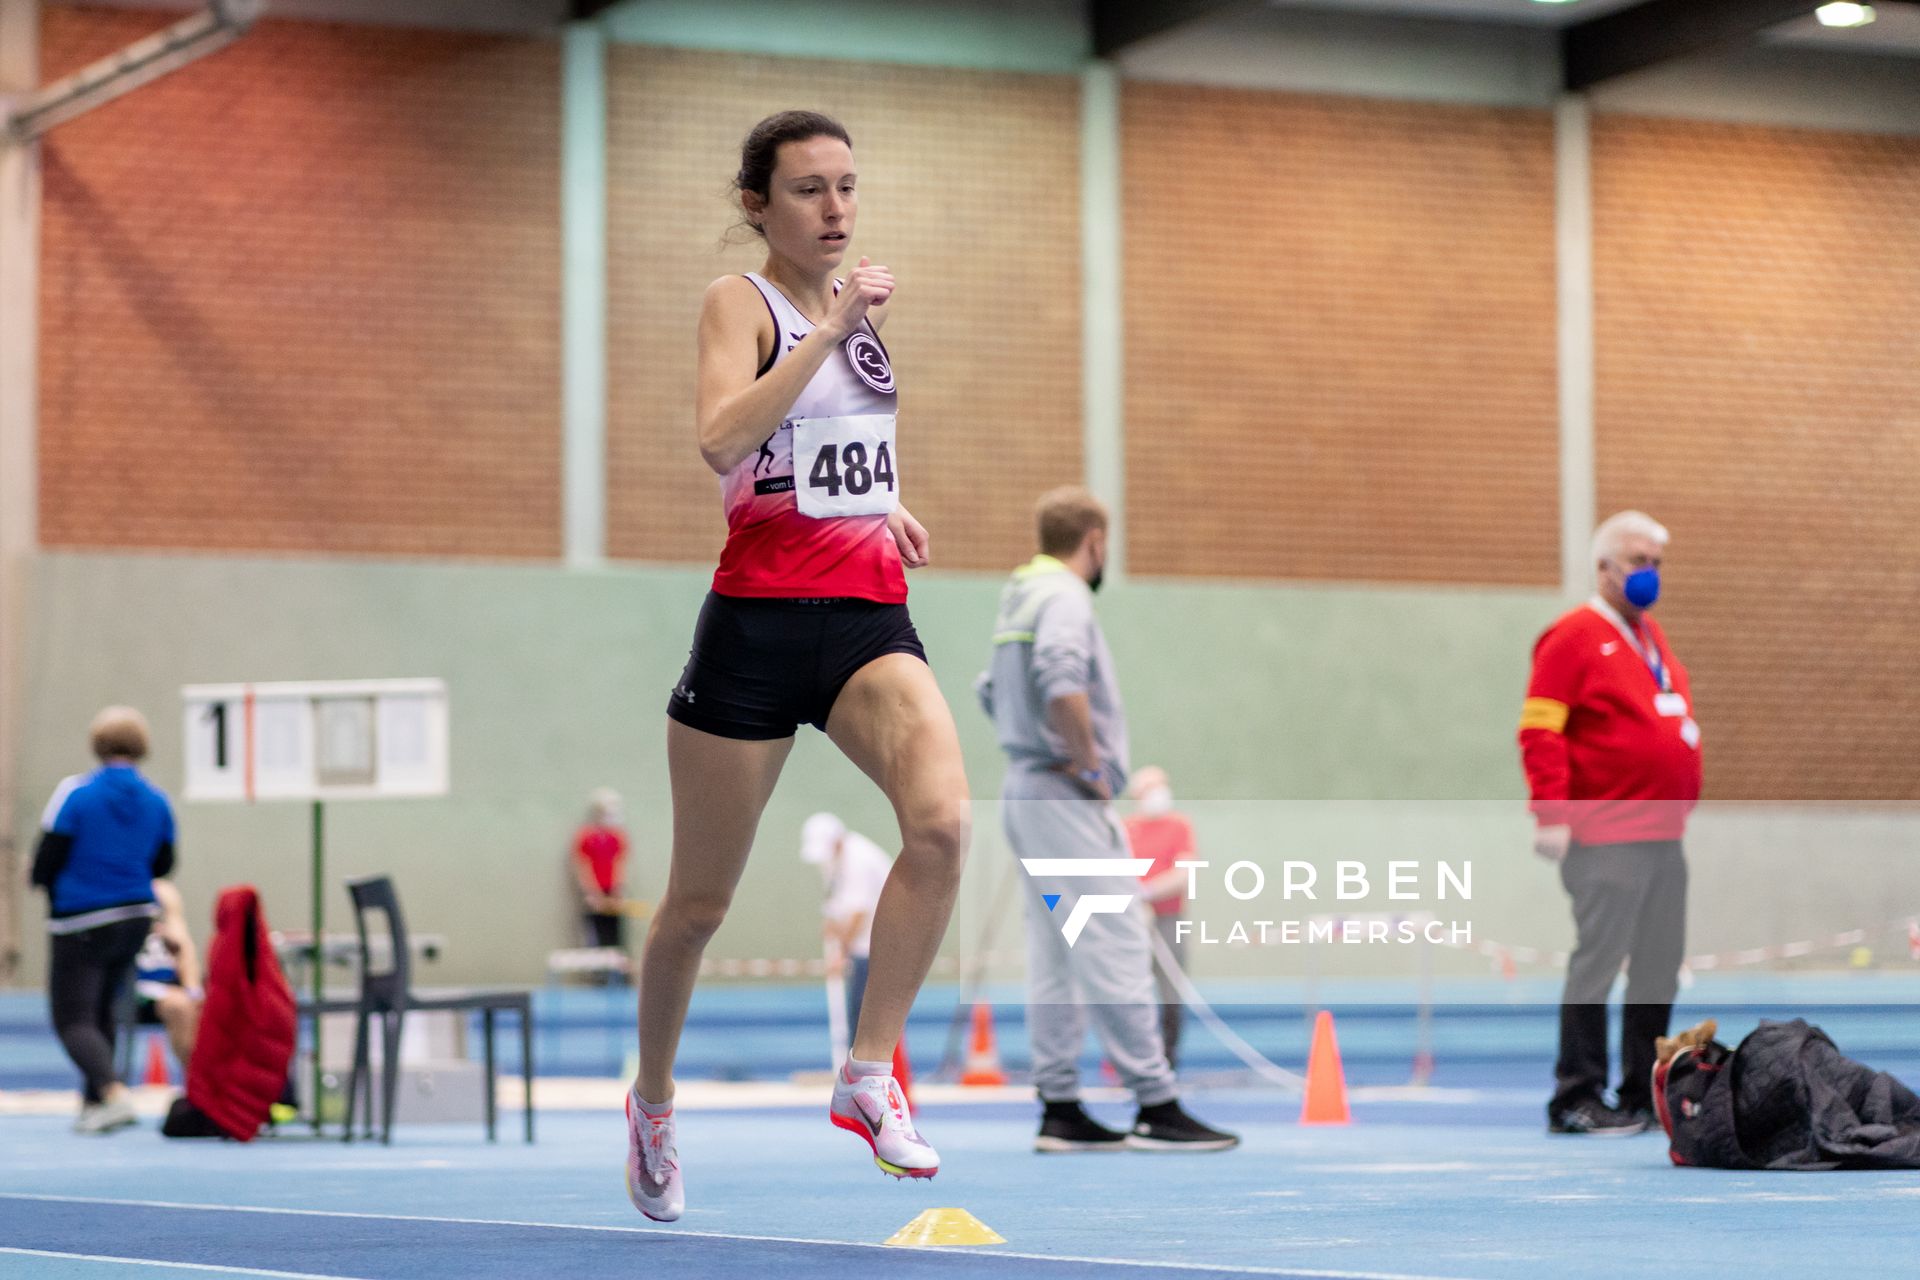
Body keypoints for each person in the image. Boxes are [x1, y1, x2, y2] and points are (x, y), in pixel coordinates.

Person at [628, 110, 970, 1220]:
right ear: (757, 203)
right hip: (756, 629)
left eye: (848, 188)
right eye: (811, 190)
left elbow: (817, 449)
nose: (836, 209)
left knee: (943, 826)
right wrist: (830, 332)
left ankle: (869, 1072)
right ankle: (655, 1102)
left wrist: (886, 502)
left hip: (865, 616)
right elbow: (725, 440)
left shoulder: (850, 315)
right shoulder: (746, 302)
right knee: (697, 902)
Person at [977, 487, 1237, 1154]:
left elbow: (989, 689)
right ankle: (1156, 1102)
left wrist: (1036, 749)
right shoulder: (1064, 597)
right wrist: (1090, 766)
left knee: (1056, 951)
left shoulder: (1019, 594)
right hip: (1062, 799)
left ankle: (1060, 1106)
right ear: (1094, 540)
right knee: (1116, 939)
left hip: (1027, 790)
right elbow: (1061, 677)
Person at [1518, 510, 1701, 1136]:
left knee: (1658, 965)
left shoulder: (1650, 638)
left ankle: (1638, 1091)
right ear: (1604, 567)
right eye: (1639, 561)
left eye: (1658, 562)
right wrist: (1552, 813)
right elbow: (1540, 729)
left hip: (1663, 837)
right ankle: (1576, 1094)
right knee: (1598, 963)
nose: (1651, 573)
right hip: (1605, 835)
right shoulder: (1571, 637)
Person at [29, 706, 178, 1135]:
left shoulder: (76, 793)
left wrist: (46, 884)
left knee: (72, 1018)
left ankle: (113, 1093)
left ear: (97, 745)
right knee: (102, 1011)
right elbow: (165, 861)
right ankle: (93, 1103)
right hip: (134, 917)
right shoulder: (157, 798)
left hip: (82, 919)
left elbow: (48, 857)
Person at [1123, 766, 1196, 1071]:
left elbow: (1184, 873)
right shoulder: (1125, 829)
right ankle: (1131, 1062)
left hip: (1168, 920)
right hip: (1130, 923)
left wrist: (1148, 891)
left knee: (1170, 994)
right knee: (1128, 993)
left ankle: (1167, 1061)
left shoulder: (1178, 827)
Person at [800, 812, 894, 1036]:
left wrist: (841, 953)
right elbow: (835, 901)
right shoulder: (833, 860)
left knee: (863, 1013)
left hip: (875, 945)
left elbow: (858, 913)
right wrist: (832, 925)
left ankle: (860, 1062)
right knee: (855, 1011)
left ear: (838, 840)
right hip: (861, 945)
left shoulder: (858, 859)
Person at [134, 878, 204, 1075]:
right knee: (179, 1005)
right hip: (132, 985)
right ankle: (194, 1077)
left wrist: (193, 990)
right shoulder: (116, 888)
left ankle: (216, 1080)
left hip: (166, 986)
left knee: (203, 1003)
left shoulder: (163, 891)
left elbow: (184, 949)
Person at [572, 788, 631, 950]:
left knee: (616, 938)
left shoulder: (617, 836)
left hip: (613, 893)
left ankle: (618, 974)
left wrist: (618, 890)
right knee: (596, 939)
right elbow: (582, 865)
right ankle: (599, 975)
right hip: (593, 895)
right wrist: (592, 893)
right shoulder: (586, 836)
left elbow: (620, 864)